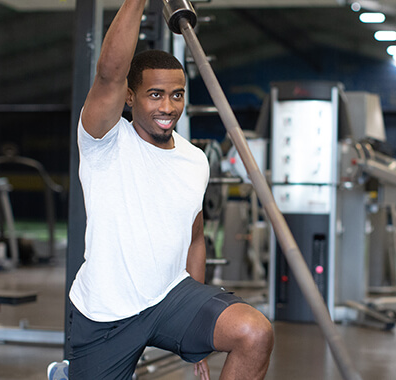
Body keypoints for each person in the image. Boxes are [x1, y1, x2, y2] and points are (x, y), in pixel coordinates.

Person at [64, 1, 274, 379]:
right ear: (130, 97)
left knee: (254, 332)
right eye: (155, 94)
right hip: (106, 312)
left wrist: (196, 336)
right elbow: (110, 73)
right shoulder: (105, 140)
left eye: (176, 95)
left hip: (171, 298)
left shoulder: (194, 160)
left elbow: (195, 239)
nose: (168, 106)